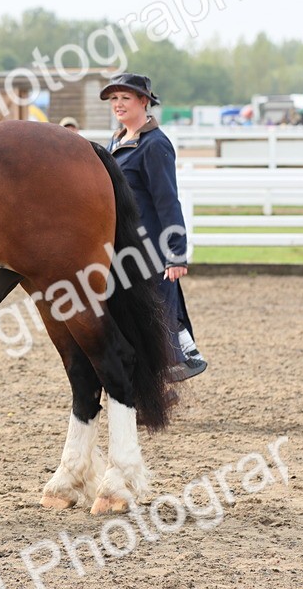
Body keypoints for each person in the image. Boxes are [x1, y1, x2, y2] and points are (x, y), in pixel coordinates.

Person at [101, 73, 207, 382]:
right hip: (125, 246)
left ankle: (167, 380)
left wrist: (175, 253)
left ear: (144, 102)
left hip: (151, 248)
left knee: (155, 319)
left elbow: (167, 201)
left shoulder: (155, 145)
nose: (118, 105)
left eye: (125, 98)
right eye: (114, 99)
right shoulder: (117, 140)